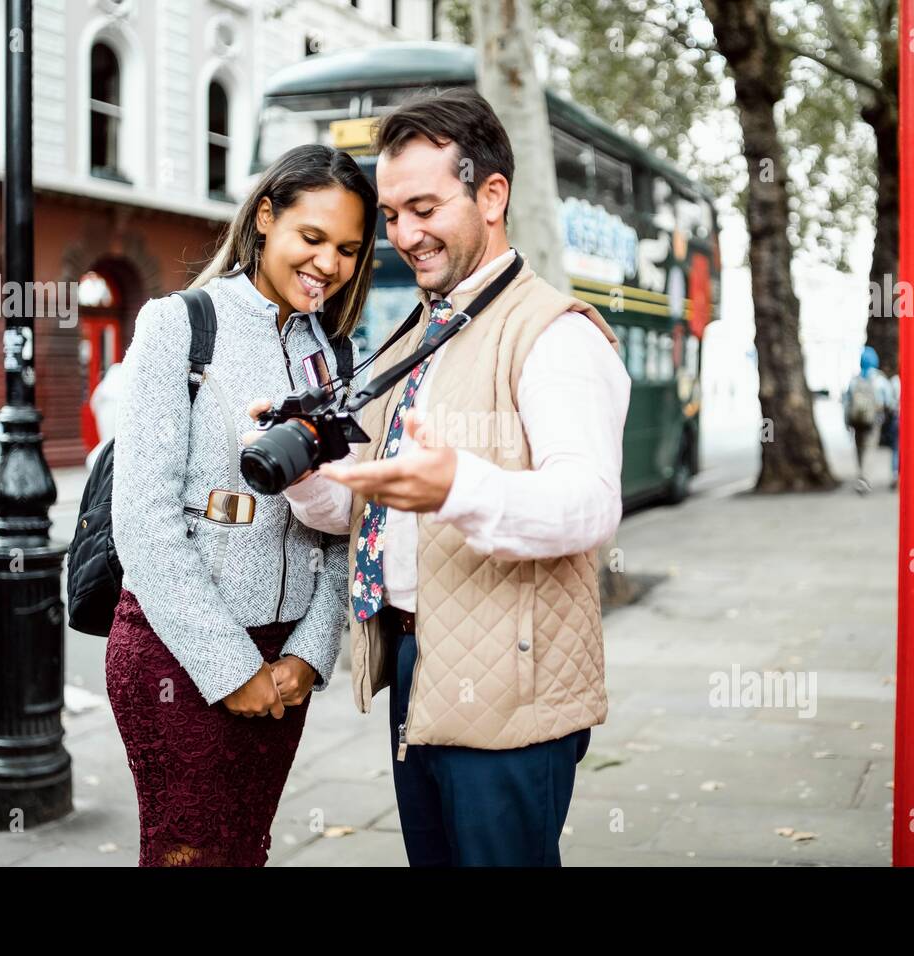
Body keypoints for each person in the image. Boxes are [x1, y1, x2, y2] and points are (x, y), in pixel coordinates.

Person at [249, 89, 631, 866]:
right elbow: (371, 507)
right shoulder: (421, 328)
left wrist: (459, 486)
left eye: (423, 206)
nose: (403, 235)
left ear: (492, 195)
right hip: (420, 665)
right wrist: (299, 470)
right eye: (390, 214)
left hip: (511, 683)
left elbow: (590, 505)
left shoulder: (553, 333)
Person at [106, 144, 377, 866]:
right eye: (312, 238)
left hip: (284, 657)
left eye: (348, 249)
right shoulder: (181, 324)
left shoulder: (341, 358)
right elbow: (143, 523)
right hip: (176, 651)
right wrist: (232, 669)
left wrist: (310, 656)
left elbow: (346, 524)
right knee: (189, 854)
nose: (328, 264)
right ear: (265, 217)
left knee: (245, 851)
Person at [843, 345, 892, 494]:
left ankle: (860, 474)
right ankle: (864, 478)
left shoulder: (854, 380)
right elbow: (888, 400)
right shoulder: (879, 379)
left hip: (856, 420)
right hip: (874, 419)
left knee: (859, 447)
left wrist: (846, 421)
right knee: (870, 447)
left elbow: (847, 402)